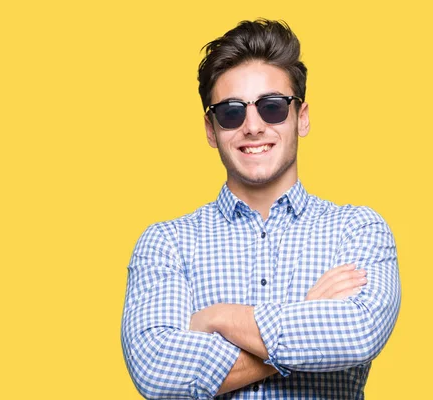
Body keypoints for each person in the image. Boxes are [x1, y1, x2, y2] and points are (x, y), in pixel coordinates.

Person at [120, 19, 401, 399]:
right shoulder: (167, 243)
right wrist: (307, 314)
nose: (252, 126)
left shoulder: (358, 229)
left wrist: (219, 318)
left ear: (300, 117)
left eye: (271, 107)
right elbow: (158, 371)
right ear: (210, 128)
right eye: (232, 112)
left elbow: (358, 331)